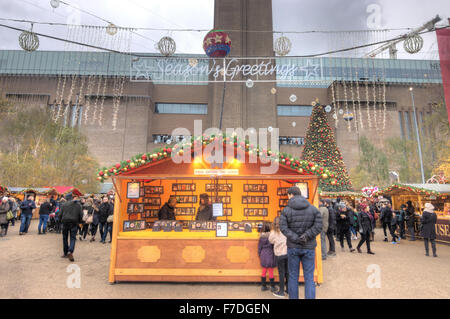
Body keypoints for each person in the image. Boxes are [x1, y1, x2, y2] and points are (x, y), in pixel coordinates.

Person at [280, 186, 322, 300]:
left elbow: (283, 228)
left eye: (288, 195)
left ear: (291, 195)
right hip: (309, 247)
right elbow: (319, 226)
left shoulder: (286, 210)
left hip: (293, 247)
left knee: (293, 276)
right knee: (309, 277)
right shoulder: (313, 209)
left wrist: (295, 238)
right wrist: (306, 236)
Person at [269, 216, 288, 298]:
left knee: (281, 273)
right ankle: (288, 290)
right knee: (288, 272)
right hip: (287, 254)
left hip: (279, 254)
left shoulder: (273, 232)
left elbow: (271, 241)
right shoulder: (286, 230)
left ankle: (281, 291)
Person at [60, 193, 83, 262]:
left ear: (66, 198)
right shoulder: (78, 205)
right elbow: (80, 215)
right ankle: (70, 251)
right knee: (73, 238)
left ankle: (65, 253)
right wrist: (79, 222)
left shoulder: (64, 204)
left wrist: (61, 220)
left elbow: (60, 214)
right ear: (72, 198)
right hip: (74, 223)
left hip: (65, 222)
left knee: (65, 238)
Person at [258, 222, 277, 293]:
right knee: (270, 271)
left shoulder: (261, 237)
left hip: (263, 254)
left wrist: (259, 254)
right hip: (270, 254)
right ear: (270, 228)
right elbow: (273, 246)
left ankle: (263, 286)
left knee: (264, 270)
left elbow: (259, 247)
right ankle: (272, 286)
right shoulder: (271, 236)